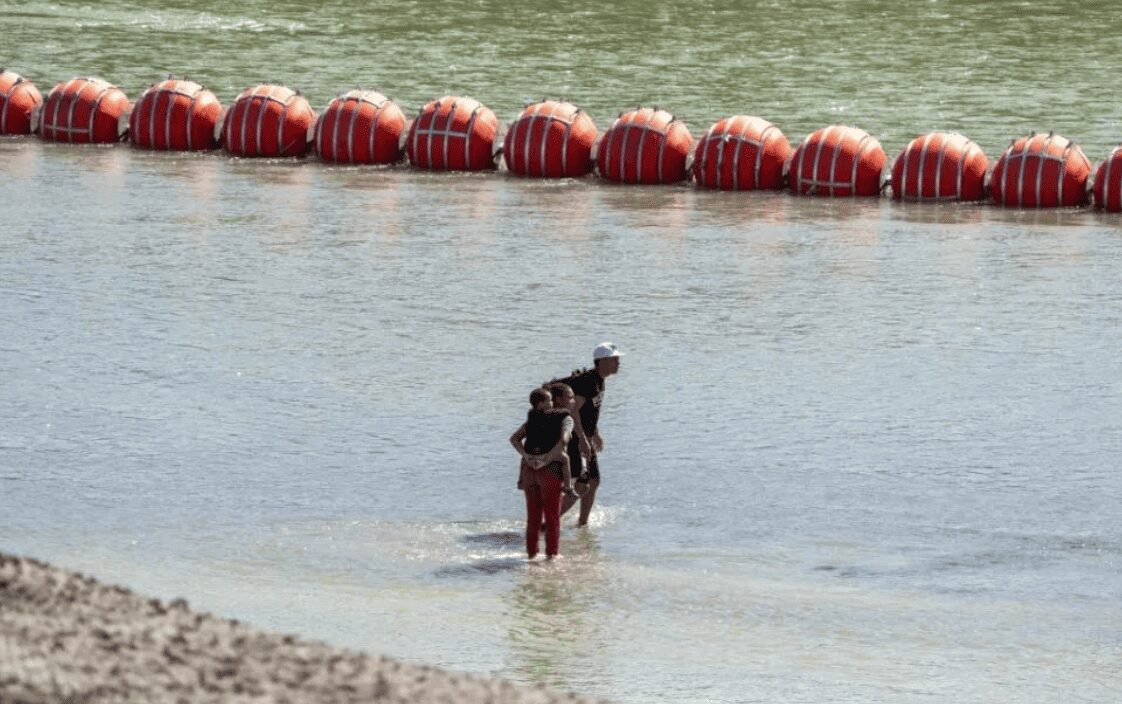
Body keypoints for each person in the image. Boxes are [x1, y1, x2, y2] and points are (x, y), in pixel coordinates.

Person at [552, 341, 623, 527]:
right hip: (576, 438)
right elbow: (574, 411)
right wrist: (583, 439)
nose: (618, 363)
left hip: (586, 437)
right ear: (603, 361)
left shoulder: (598, 380)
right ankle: (547, 523)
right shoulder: (589, 382)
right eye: (615, 359)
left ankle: (582, 524)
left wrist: (596, 433)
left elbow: (589, 411)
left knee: (594, 481)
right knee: (582, 485)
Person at [509, 387, 576, 559]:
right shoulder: (565, 418)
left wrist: (526, 456)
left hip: (529, 470)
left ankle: (531, 554)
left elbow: (514, 438)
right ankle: (552, 555)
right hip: (550, 471)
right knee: (552, 516)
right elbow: (565, 438)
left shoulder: (532, 419)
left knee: (533, 517)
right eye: (570, 398)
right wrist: (549, 457)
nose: (573, 401)